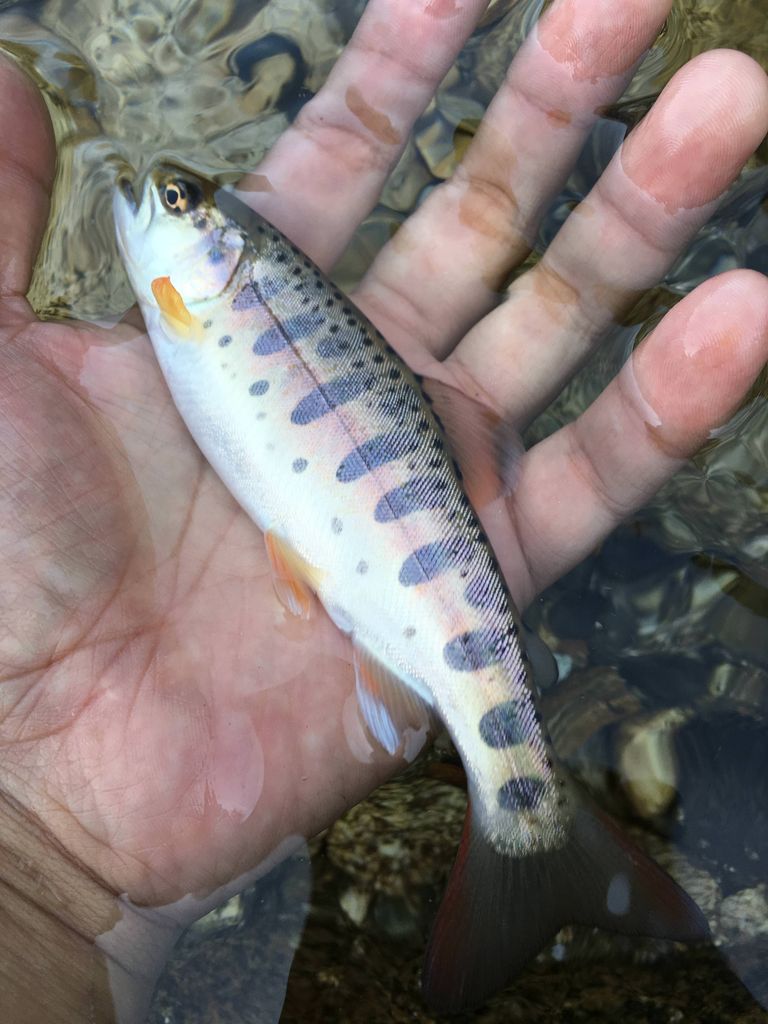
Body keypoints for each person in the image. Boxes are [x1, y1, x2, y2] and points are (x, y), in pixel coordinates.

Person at [0, 0, 766, 1020]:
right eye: (182, 197)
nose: (156, 196)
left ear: (216, 254)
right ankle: (531, 822)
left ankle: (529, 822)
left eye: (179, 201)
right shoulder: (190, 300)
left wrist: (41, 875)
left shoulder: (191, 300)